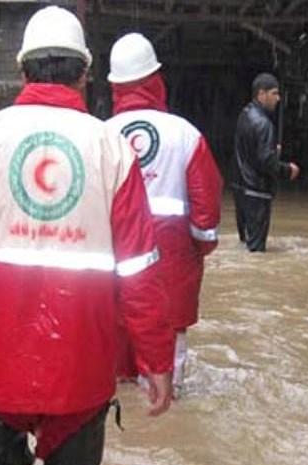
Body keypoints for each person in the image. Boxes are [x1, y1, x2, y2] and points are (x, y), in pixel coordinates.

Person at [0, 8, 174, 465]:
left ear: (22, 72)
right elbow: (140, 274)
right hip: (82, 371)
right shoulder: (113, 150)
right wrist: (156, 360)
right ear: (85, 74)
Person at [105, 33, 223, 393]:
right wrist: (195, 252)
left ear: (115, 86)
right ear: (157, 80)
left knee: (116, 381)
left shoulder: (100, 135)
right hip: (171, 273)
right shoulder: (186, 135)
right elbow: (206, 218)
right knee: (165, 387)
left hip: (113, 274)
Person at [235, 72, 300, 251]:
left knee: (245, 245)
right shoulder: (264, 124)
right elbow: (265, 162)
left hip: (241, 190)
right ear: (261, 94)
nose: (278, 99)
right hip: (257, 193)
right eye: (274, 93)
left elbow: (249, 151)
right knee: (256, 251)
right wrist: (288, 170)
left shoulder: (245, 114)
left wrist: (271, 152)